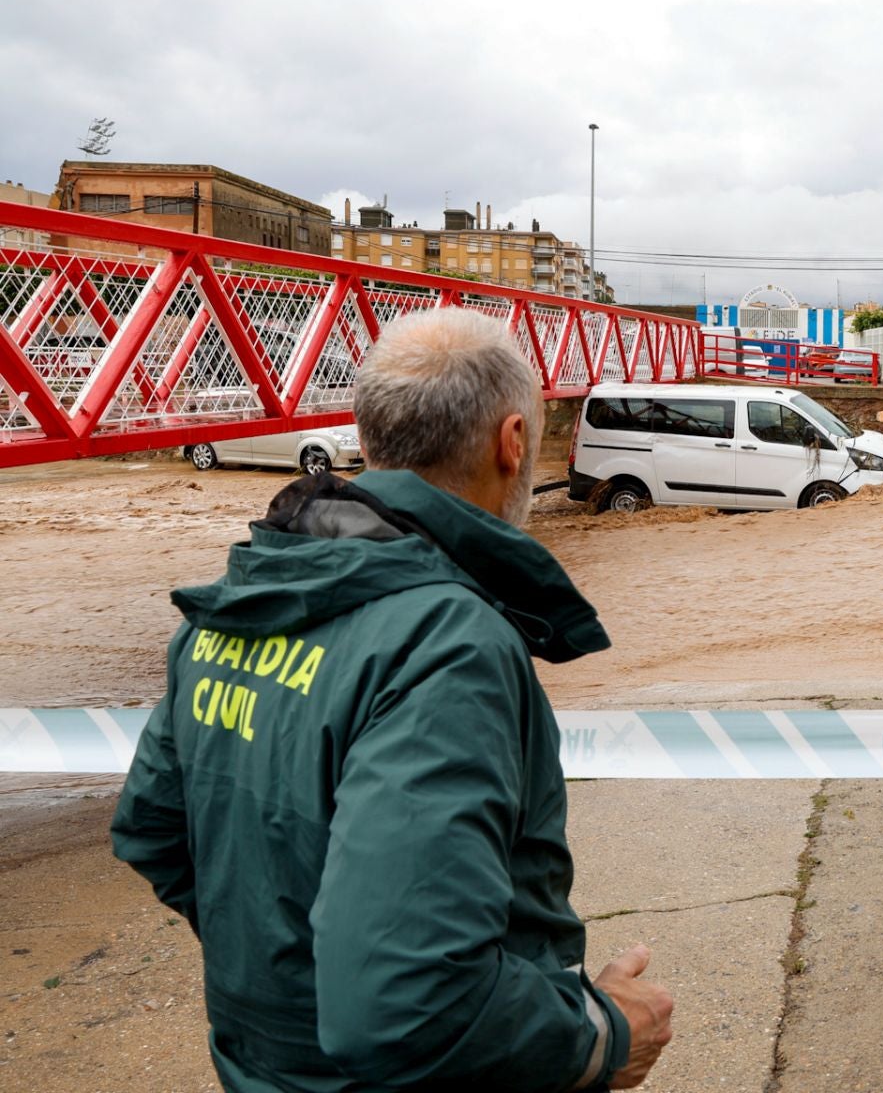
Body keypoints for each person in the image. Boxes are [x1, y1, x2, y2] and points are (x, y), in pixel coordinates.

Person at [111, 309, 674, 1093]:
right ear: (514, 444)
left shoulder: (238, 601)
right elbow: (409, 1003)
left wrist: (292, 975)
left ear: (370, 441)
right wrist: (598, 1034)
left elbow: (153, 833)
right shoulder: (447, 644)